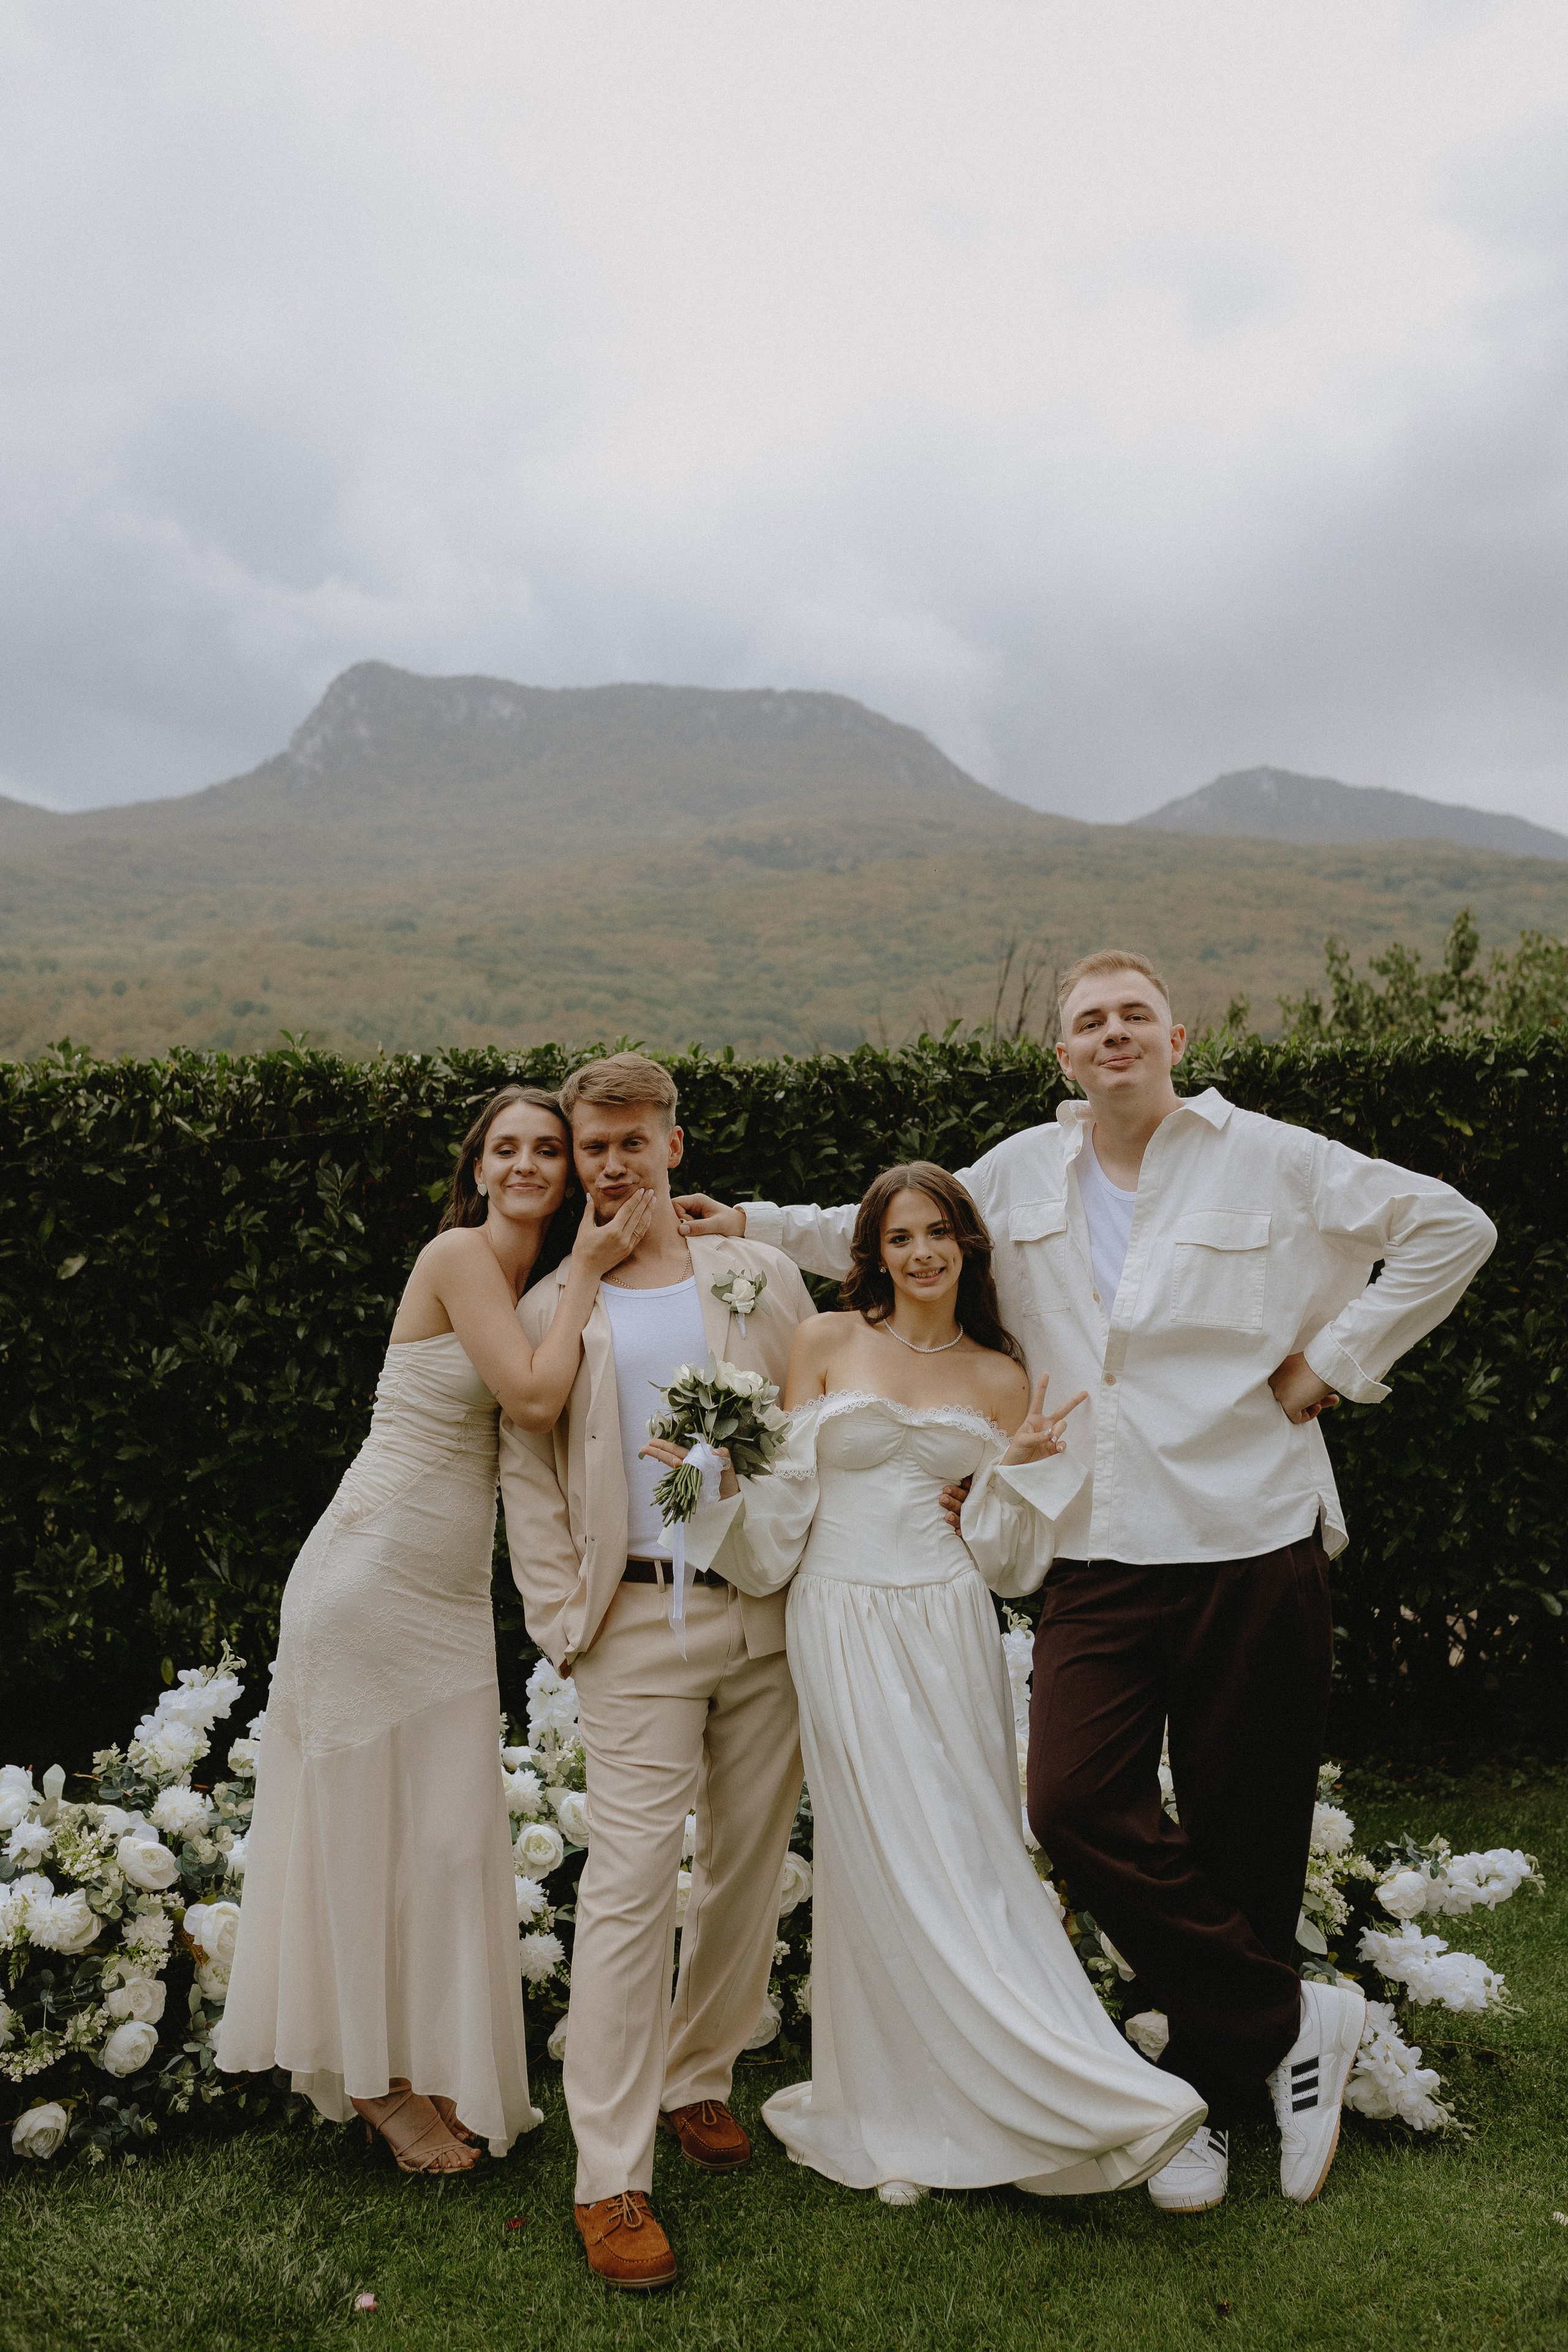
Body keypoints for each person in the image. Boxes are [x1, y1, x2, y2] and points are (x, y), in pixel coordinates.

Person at [675, 949, 1497, 2212]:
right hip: (1097, 1548)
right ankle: (1296, 2021)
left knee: (1245, 1828)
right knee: (1069, 1802)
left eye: (1131, 1016)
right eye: (1085, 1023)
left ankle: (1214, 2104)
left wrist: (1333, 1359)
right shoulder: (1018, 1170)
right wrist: (740, 1225)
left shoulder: (1274, 1158)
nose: (1111, 1035)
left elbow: (1451, 1225)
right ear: (1061, 1056)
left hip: (1246, 1532)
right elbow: (890, 1224)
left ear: (1177, 1034)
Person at [649, 1163, 1207, 2204]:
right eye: (900, 1236)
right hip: (837, 1613)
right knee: (874, 1852)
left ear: (968, 1246)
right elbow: (779, 1525)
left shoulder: (1002, 1375)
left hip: (948, 1619)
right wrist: (716, 1487)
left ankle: (1059, 2090)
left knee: (968, 1842)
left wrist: (1023, 1470)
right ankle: (894, 2108)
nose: (921, 1253)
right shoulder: (823, 1340)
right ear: (875, 1250)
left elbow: (1005, 1562)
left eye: (939, 1232)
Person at [219, 1085, 653, 2174]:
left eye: (546, 1149)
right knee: (368, 1832)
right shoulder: (461, 1257)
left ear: (566, 1173)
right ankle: (376, 2082)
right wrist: (596, 1270)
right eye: (506, 1148)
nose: (526, 1164)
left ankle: (427, 2067)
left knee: (453, 1842)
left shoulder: (538, 1278)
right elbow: (535, 1402)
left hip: (451, 1595)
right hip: (369, 1575)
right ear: (477, 1167)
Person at [497, 1052, 816, 2291]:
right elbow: (524, 1469)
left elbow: (812, 1416)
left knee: (746, 1864)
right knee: (630, 1884)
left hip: (761, 1614)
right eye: (594, 1146)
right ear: (577, 1158)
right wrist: (557, 1615)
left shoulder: (756, 1277)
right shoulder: (550, 1306)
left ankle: (700, 2075)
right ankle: (609, 2176)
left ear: (673, 1147)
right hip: (629, 1625)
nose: (615, 1163)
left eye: (636, 1140)